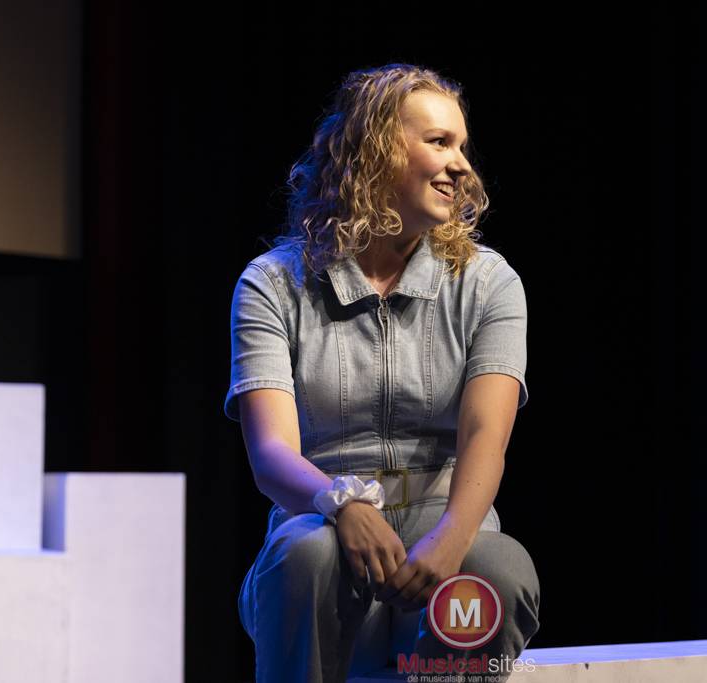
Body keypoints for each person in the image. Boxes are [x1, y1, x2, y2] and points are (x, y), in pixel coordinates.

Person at [224, 63, 540, 683]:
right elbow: (271, 453)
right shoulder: (273, 283)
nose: (461, 166)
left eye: (462, 147)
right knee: (306, 556)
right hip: (324, 526)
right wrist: (342, 504)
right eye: (439, 143)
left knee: (496, 574)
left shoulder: (488, 282)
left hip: (441, 520)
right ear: (374, 153)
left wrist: (450, 539)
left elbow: (486, 436)